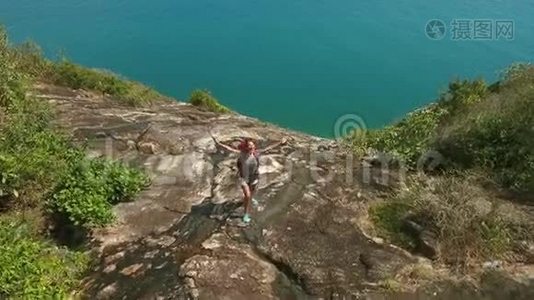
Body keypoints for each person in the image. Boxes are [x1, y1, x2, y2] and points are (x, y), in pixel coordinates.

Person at [211, 135, 288, 224]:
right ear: (245, 147)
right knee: (247, 195)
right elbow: (228, 149)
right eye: (249, 146)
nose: (251, 147)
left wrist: (280, 142)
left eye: (252, 145)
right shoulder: (241, 154)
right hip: (243, 178)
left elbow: (269, 148)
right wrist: (218, 143)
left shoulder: (256, 153)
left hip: (254, 177)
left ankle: (249, 200)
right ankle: (246, 214)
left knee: (251, 193)